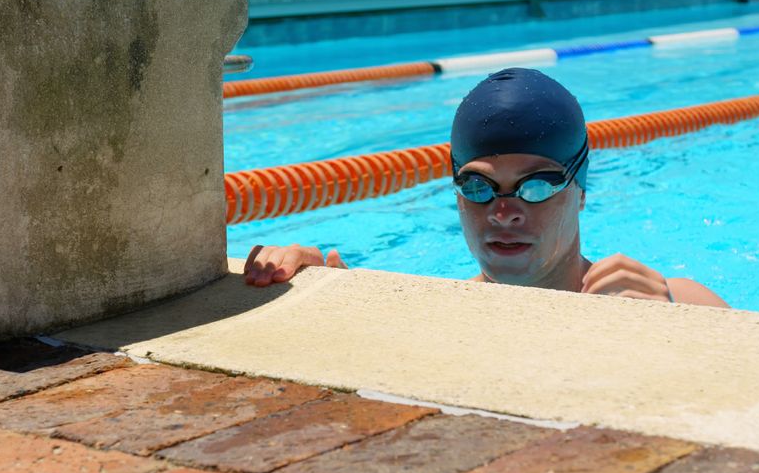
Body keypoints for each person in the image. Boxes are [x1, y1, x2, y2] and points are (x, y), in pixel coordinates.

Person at [244, 68, 728, 308]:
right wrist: (310, 283)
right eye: (478, 187)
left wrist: (675, 330)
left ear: (579, 189)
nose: (504, 211)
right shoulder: (433, 313)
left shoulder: (674, 302)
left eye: (536, 187)